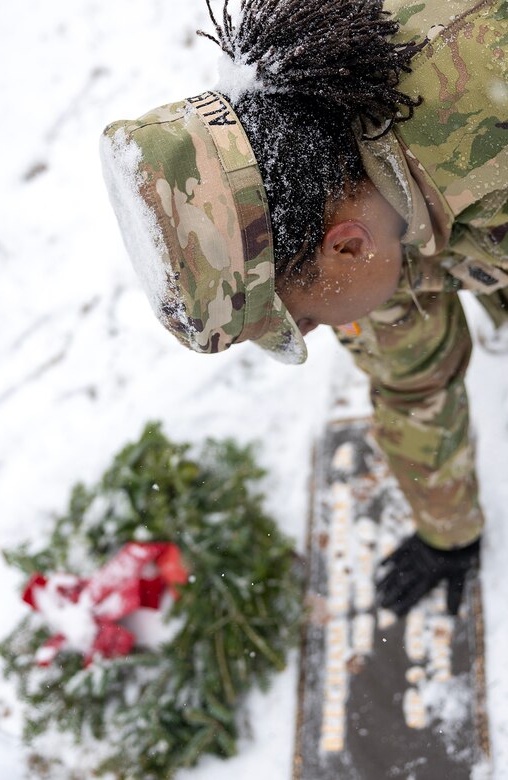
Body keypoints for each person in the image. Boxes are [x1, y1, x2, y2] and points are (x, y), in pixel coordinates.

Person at [100, 0, 508, 617]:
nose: (320, 331)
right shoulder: (330, 199)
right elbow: (409, 376)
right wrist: (448, 532)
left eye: (306, 321)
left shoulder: (485, 90)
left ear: (345, 246)